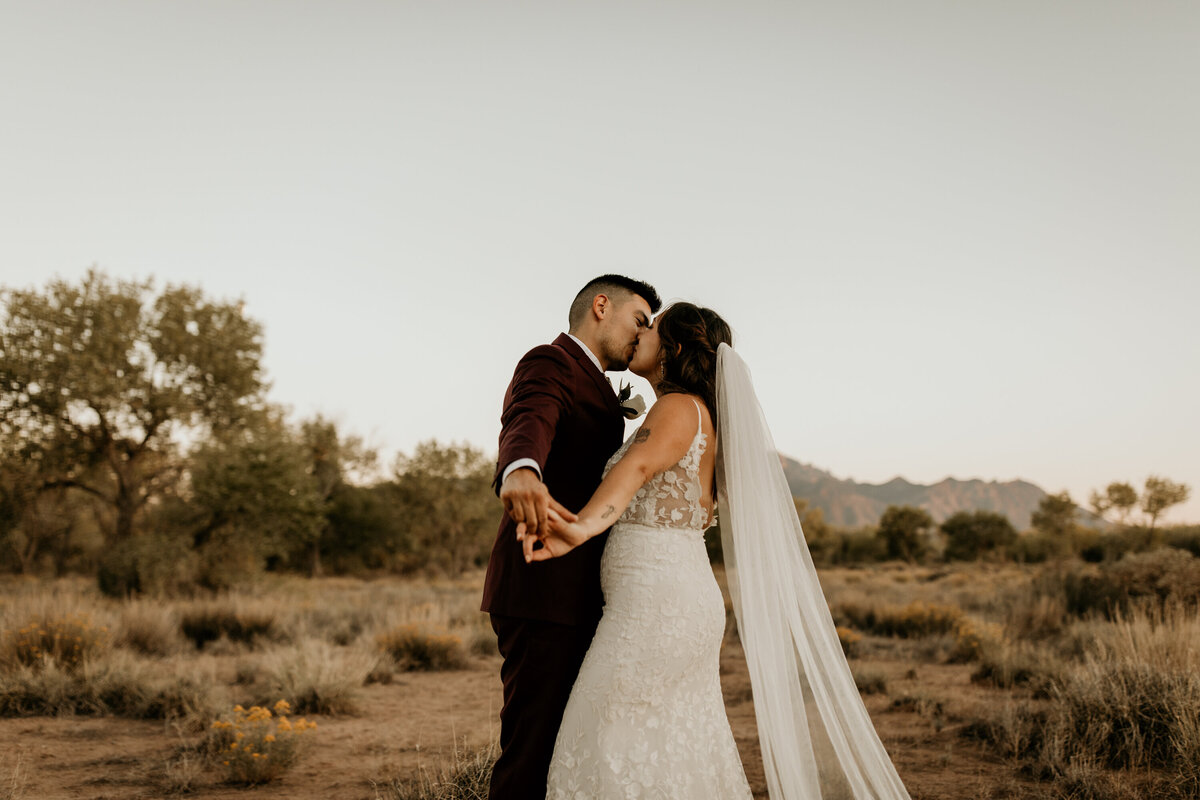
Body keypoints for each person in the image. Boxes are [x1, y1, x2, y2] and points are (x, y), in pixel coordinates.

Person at [523, 302, 914, 800]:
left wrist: (579, 529)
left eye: (653, 327)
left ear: (676, 348)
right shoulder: (706, 420)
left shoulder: (679, 407)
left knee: (602, 737)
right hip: (682, 601)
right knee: (673, 746)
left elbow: (637, 467)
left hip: (656, 607)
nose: (642, 332)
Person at [481, 274, 662, 800]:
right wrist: (521, 469)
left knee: (570, 748)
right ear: (601, 306)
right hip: (545, 590)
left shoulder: (601, 384)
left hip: (583, 595)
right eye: (639, 320)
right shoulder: (550, 362)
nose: (642, 334)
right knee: (532, 752)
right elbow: (529, 416)